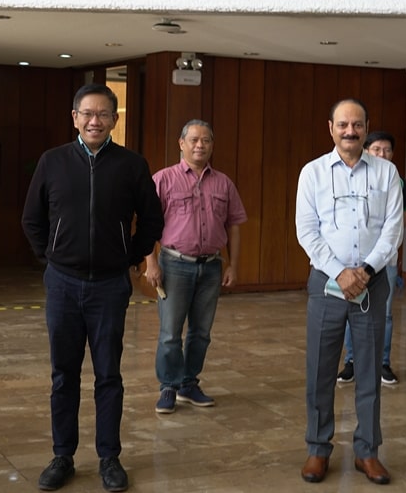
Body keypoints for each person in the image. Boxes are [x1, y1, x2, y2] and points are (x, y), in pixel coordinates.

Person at [22, 83, 164, 493]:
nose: (94, 121)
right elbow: (31, 219)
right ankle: (62, 455)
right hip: (63, 283)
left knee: (109, 375)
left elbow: (152, 219)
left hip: (109, 285)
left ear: (115, 120)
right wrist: (50, 258)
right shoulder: (53, 162)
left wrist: (132, 256)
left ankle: (109, 457)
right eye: (87, 114)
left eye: (103, 114)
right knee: (63, 374)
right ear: (74, 118)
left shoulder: (132, 165)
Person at [296, 99, 404, 485]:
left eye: (357, 125)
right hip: (326, 283)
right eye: (343, 124)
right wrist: (341, 272)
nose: (350, 131)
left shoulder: (387, 173)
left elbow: (392, 230)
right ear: (331, 128)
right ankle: (317, 449)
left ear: (366, 127)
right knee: (321, 371)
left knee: (370, 371)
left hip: (372, 283)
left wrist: (367, 270)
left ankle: (367, 451)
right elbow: (307, 231)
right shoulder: (312, 173)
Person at [144, 119, 247, 414]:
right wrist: (151, 262)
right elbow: (148, 225)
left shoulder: (223, 183)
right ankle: (168, 386)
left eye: (206, 141)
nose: (200, 145)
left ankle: (189, 384)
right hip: (174, 265)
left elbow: (235, 226)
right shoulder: (163, 180)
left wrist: (233, 266)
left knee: (201, 332)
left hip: (212, 267)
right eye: (194, 140)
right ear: (181, 143)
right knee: (170, 332)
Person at [337, 131, 406, 385]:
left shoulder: (398, 182)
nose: (383, 154)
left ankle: (383, 363)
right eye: (377, 149)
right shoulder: (353, 176)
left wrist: (382, 253)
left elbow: (401, 221)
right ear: (367, 150)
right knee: (351, 308)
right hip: (351, 260)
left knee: (385, 313)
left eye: (388, 150)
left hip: (384, 260)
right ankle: (352, 362)